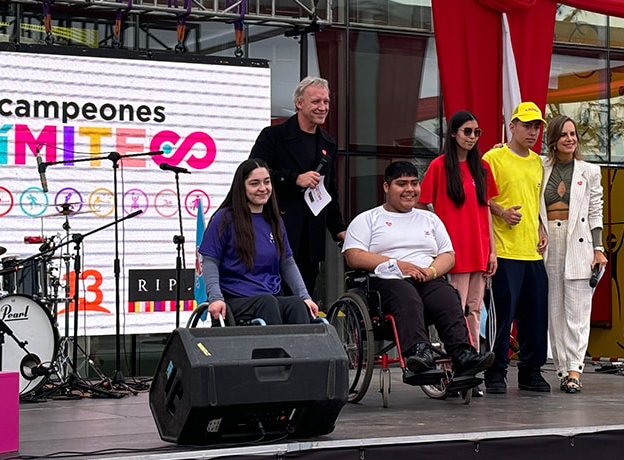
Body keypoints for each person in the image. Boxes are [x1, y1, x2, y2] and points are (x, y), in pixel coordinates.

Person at [342, 161, 494, 389]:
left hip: (426, 276)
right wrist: (397, 265)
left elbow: (448, 255)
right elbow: (353, 255)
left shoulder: (429, 219)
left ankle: (463, 356)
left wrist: (431, 271)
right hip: (385, 280)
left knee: (447, 296)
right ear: (386, 187)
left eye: (414, 183)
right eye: (401, 184)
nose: (409, 189)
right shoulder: (368, 219)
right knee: (406, 294)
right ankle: (419, 355)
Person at [249, 76, 346, 295]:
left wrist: (338, 228)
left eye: (326, 102)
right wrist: (294, 178)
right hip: (276, 229)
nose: (322, 107)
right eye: (316, 102)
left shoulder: (328, 143)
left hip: (311, 235)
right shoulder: (273, 136)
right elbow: (252, 176)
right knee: (274, 295)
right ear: (299, 103)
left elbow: (328, 190)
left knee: (304, 296)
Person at [482, 101, 551, 394]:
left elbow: (534, 201)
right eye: (526, 125)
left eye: (537, 126)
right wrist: (502, 212)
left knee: (536, 314)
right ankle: (495, 372)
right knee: (502, 316)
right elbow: (482, 199)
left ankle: (530, 371)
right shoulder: (493, 157)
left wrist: (539, 226)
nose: (532, 132)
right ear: (512, 127)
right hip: (504, 250)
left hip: (531, 251)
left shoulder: (538, 162)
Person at [199, 158, 317, 326]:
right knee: (267, 302)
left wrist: (305, 297)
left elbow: (287, 262)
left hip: (270, 297)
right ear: (242, 187)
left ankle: (301, 353)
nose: (263, 188)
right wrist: (215, 298)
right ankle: (273, 353)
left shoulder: (274, 220)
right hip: (236, 300)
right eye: (254, 183)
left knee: (297, 305)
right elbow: (210, 261)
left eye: (267, 182)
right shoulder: (225, 218)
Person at [418, 110, 498, 352]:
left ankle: (472, 363)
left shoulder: (481, 167)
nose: (472, 137)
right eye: (467, 131)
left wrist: (492, 252)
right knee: (456, 309)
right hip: (454, 252)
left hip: (479, 250)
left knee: (474, 309)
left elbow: (486, 211)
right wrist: (435, 238)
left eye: (477, 132)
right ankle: (456, 362)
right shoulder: (439, 166)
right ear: (453, 133)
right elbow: (422, 204)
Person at [541, 115, 607, 394]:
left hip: (578, 241)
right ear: (554, 140)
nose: (570, 139)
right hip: (549, 241)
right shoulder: (540, 167)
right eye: (564, 135)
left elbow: (595, 210)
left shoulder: (589, 171)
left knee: (578, 311)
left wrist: (598, 248)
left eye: (573, 134)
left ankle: (574, 371)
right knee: (554, 310)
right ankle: (560, 368)